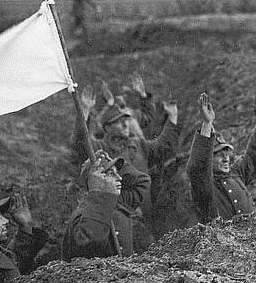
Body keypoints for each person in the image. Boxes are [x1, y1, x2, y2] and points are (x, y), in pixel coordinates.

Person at [73, 81, 180, 251]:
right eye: (118, 121)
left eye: (126, 120)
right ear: (107, 127)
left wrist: (172, 117)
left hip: (144, 219)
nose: (125, 124)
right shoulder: (99, 149)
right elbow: (80, 144)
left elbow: (163, 146)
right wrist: (85, 110)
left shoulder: (138, 145)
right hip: (114, 223)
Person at [187, 92, 256, 224]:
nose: (226, 159)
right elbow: (198, 167)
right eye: (219, 155)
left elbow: (255, 154)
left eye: (226, 154)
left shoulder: (236, 173)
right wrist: (207, 124)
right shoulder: (205, 185)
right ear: (209, 160)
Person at [62, 150, 142, 260]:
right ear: (94, 182)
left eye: (117, 173)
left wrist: (112, 158)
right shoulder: (84, 216)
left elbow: (142, 182)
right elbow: (90, 246)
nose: (119, 178)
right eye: (110, 174)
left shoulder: (113, 206)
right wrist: (99, 193)